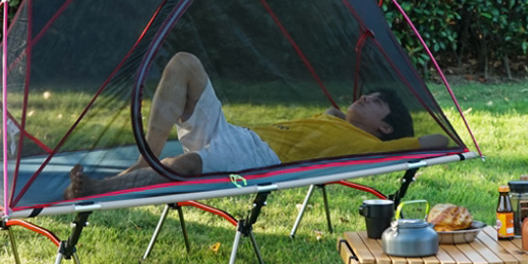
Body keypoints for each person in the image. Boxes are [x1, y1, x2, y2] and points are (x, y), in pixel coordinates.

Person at [65, 52, 450, 198]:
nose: (365, 97)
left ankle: (103, 188)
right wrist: (349, 111)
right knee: (184, 63)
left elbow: (435, 139)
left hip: (261, 156)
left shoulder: (374, 146)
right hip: (240, 136)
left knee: (190, 166)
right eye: (369, 94)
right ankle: (143, 160)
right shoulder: (335, 118)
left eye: (377, 102)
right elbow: (336, 113)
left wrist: (452, 133)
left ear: (385, 128)